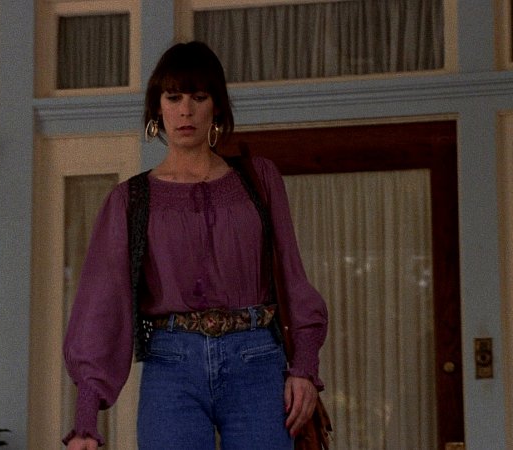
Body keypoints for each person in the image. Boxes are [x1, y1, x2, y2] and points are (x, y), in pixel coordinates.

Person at [63, 41, 328, 450]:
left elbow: (293, 278)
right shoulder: (130, 200)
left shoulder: (258, 179)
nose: (185, 110)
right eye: (173, 97)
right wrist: (85, 420)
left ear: (216, 107)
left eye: (198, 97)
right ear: (158, 109)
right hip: (172, 364)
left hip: (258, 358)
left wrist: (304, 369)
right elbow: (101, 304)